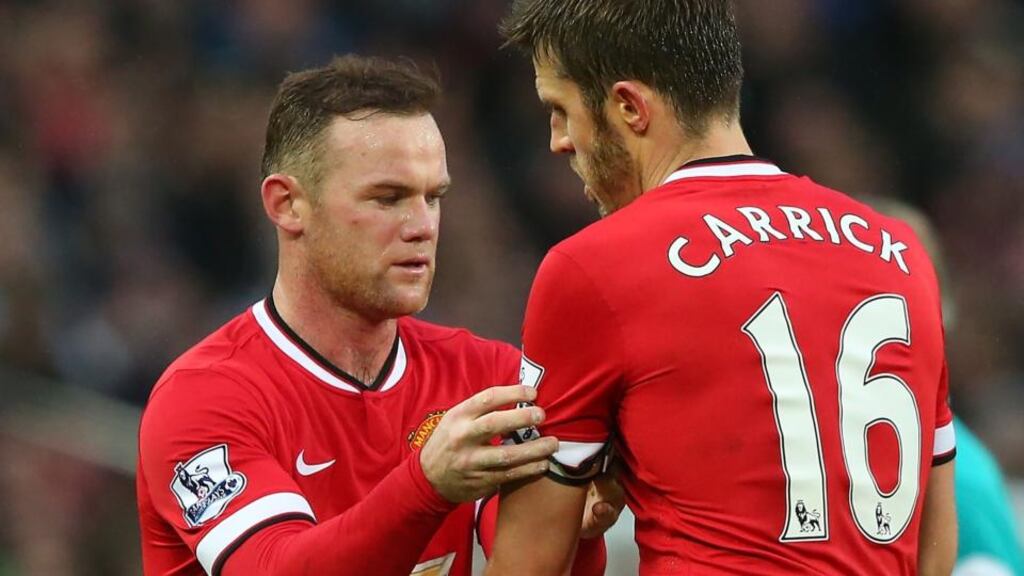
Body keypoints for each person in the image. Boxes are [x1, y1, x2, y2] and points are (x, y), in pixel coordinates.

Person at [487, 1, 957, 574]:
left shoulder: (595, 267)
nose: (559, 140)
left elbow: (528, 562)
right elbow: (933, 552)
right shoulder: (901, 253)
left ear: (629, 107)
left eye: (560, 110)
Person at [136, 55, 615, 576]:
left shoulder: (485, 377)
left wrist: (571, 526)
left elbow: (524, 556)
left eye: (434, 198)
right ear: (287, 204)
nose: (422, 226)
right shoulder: (204, 399)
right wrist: (425, 486)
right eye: (388, 198)